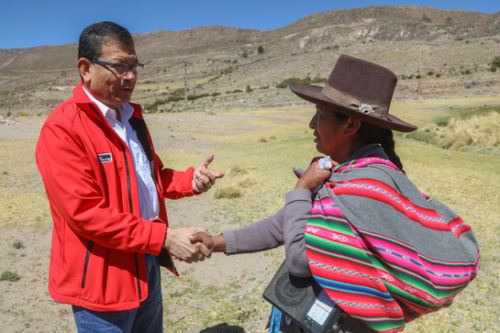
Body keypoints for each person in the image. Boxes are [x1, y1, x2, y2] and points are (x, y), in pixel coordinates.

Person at [191, 54, 480, 332]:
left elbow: (300, 260)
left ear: (351, 125)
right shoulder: (346, 176)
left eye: (319, 115)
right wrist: (216, 242)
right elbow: (287, 223)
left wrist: (302, 189)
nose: (311, 125)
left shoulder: (365, 187)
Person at [35, 21, 223, 332]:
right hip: (102, 282)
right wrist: (164, 238)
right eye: (120, 66)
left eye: (134, 66)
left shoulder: (132, 119)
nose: (131, 76)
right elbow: (86, 214)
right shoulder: (63, 129)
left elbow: (150, 176)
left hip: (145, 263)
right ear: (85, 69)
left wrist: (189, 181)